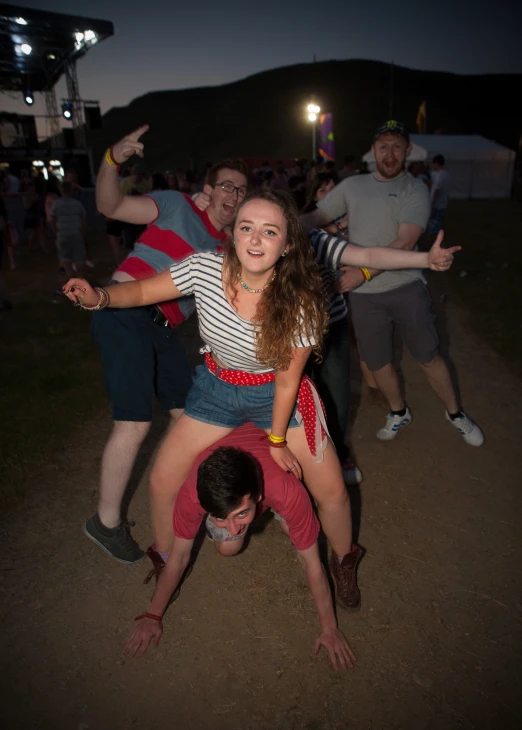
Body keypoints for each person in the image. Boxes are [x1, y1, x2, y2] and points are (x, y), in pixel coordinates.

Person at [64, 187, 457, 606]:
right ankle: (165, 557)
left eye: (269, 232)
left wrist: (276, 441)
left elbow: (288, 382)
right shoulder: (203, 269)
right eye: (246, 228)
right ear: (232, 234)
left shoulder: (300, 301)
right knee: (163, 478)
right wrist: (102, 297)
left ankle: (344, 560)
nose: (255, 239)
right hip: (217, 389)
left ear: (287, 244)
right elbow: (143, 292)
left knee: (332, 491)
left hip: (275, 395)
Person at [78, 125, 248, 566]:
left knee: (191, 418)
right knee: (135, 423)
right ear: (207, 191)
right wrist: (112, 161)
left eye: (241, 189)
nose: (234, 193)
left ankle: (202, 503)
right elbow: (109, 204)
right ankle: (106, 522)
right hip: (122, 311)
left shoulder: (228, 246)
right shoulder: (176, 205)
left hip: (164, 329)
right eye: (226, 185)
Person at [301, 120, 483, 447]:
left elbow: (404, 242)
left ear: (407, 151)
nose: (389, 153)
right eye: (383, 146)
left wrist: (362, 273)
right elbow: (315, 218)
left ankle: (455, 413)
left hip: (406, 287)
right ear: (374, 151)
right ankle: (399, 411)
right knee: (379, 362)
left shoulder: (415, 189)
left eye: (397, 146)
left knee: (428, 356)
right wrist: (270, 223)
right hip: (364, 298)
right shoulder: (353, 186)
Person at [124, 423, 356, 671]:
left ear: (257, 497)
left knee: (297, 531)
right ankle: (236, 513)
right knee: (228, 547)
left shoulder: (286, 490)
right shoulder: (192, 495)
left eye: (242, 513)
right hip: (244, 473)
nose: (233, 528)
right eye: (220, 517)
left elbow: (312, 563)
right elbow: (178, 557)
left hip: (275, 473)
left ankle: (271, 514)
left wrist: (329, 628)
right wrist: (153, 615)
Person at [51, 180, 88, 279]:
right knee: (79, 259)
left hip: (63, 234)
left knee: (66, 259)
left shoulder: (56, 204)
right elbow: (83, 220)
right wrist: (84, 235)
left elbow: (53, 220)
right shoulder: (77, 204)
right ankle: (81, 281)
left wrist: (56, 233)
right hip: (76, 234)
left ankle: (72, 280)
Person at [428, 154, 451, 237]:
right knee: (438, 222)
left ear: (437, 163)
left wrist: (432, 203)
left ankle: (434, 240)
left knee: (434, 223)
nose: (433, 165)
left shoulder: (440, 175)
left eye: (434, 163)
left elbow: (436, 190)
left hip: (437, 204)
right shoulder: (447, 174)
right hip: (443, 203)